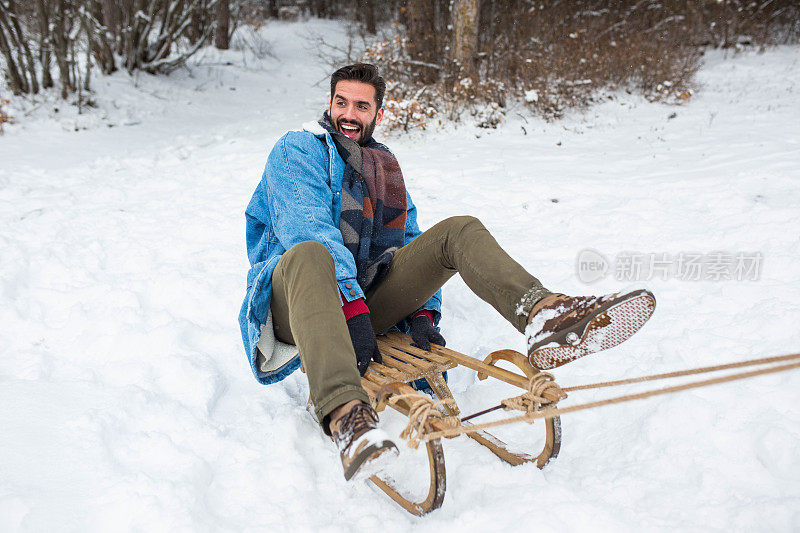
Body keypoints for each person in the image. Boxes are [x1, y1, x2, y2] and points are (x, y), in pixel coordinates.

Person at [239, 63, 656, 481]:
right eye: (341, 102)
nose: (350, 113)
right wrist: (350, 304)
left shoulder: (384, 167)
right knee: (312, 252)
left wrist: (421, 313)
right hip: (298, 301)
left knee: (458, 230)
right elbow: (305, 226)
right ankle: (347, 417)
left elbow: (409, 242)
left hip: (361, 305)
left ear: (378, 114)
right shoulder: (297, 150)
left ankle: (544, 313)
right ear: (329, 105)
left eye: (361, 106)